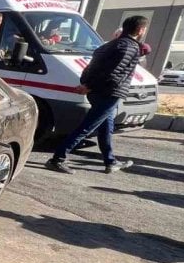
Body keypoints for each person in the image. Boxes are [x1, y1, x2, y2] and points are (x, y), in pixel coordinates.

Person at [45, 15, 149, 175]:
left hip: (98, 91)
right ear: (141, 30)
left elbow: (91, 67)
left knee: (106, 127)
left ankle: (110, 161)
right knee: (87, 127)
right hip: (109, 92)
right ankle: (57, 159)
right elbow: (114, 73)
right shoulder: (130, 47)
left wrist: (86, 83)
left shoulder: (110, 45)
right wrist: (89, 85)